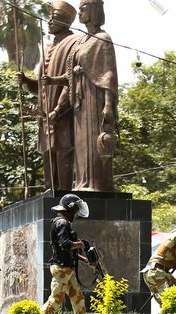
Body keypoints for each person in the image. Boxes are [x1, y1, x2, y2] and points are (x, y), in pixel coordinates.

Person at [43, 0, 118, 191]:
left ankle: (97, 184)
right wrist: (52, 80)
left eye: (83, 9)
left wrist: (108, 105)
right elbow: (71, 76)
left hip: (95, 98)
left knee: (95, 142)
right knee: (81, 144)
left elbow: (108, 75)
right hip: (79, 100)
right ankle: (82, 182)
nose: (80, 13)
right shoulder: (82, 41)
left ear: (94, 11)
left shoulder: (103, 38)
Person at [16, 1, 78, 191]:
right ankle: (50, 189)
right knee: (48, 152)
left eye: (54, 18)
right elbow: (41, 87)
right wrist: (27, 81)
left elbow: (73, 81)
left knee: (62, 151)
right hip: (45, 115)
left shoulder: (74, 44)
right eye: (49, 17)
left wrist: (59, 109)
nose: (49, 21)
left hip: (63, 113)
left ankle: (64, 192)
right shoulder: (48, 47)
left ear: (65, 21)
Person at [42, 193, 91, 314]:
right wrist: (80, 245)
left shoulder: (63, 223)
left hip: (67, 269)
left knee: (78, 299)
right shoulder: (62, 223)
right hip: (61, 269)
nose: (77, 215)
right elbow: (65, 244)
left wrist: (84, 259)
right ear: (70, 210)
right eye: (76, 211)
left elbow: (68, 251)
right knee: (56, 300)